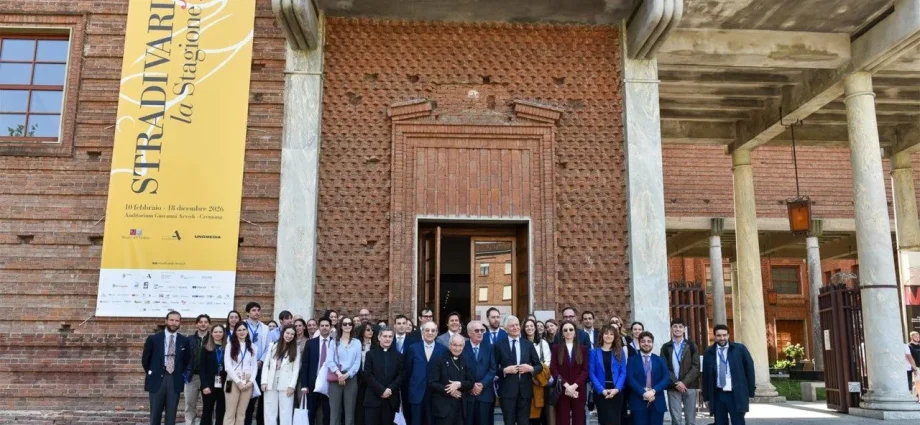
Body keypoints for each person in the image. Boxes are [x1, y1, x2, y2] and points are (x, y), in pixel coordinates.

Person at [142, 311, 191, 425]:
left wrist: (178, 372)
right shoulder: (154, 339)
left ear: (180, 323)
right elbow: (146, 360)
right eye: (171, 320)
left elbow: (186, 360)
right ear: (166, 321)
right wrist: (153, 372)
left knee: (171, 414)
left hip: (174, 379)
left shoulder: (184, 341)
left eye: (177, 321)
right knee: (155, 414)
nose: (174, 323)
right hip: (157, 379)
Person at [494, 315, 544, 425]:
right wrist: (505, 371)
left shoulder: (528, 344)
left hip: (525, 392)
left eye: (517, 325)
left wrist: (530, 368)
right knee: (509, 422)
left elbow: (539, 366)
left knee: (524, 422)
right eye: (512, 326)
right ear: (506, 329)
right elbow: (493, 368)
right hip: (507, 392)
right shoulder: (499, 345)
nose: (516, 327)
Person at [701, 325, 755, 425]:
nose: (722, 338)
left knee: (738, 422)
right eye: (719, 335)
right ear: (714, 336)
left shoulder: (740, 349)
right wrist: (706, 397)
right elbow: (706, 376)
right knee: (720, 422)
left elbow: (749, 371)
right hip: (718, 395)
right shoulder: (709, 352)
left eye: (724, 335)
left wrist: (750, 392)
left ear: (729, 335)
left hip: (735, 394)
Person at [363, 326, 406, 425]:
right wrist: (381, 390)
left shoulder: (398, 356)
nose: (387, 339)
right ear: (379, 337)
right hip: (373, 399)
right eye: (385, 336)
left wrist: (390, 389)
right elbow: (368, 374)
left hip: (390, 400)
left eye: (390, 336)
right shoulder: (370, 354)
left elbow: (402, 375)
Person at [406, 321, 447, 425]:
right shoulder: (413, 348)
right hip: (416, 393)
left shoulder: (443, 350)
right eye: (427, 330)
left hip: (435, 394)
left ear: (437, 332)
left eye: (433, 330)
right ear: (422, 332)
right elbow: (408, 371)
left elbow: (444, 373)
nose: (430, 333)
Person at [659, 319, 700, 425]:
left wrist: (684, 382)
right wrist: (676, 382)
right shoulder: (665, 347)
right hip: (673, 387)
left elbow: (696, 367)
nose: (678, 329)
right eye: (675, 326)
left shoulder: (691, 345)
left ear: (684, 329)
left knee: (690, 420)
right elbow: (664, 367)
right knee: (676, 420)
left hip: (689, 386)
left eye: (680, 327)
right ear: (671, 329)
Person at [429, 334, 475, 425]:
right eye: (454, 345)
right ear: (449, 345)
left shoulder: (465, 360)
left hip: (460, 409)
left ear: (463, 346)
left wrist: (460, 384)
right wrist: (450, 390)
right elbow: (432, 383)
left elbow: (471, 382)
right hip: (443, 409)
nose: (457, 348)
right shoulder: (440, 360)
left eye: (460, 345)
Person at [625, 332, 669, 425]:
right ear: (639, 343)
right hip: (638, 401)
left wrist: (653, 391)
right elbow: (630, 379)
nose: (646, 343)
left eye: (649, 341)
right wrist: (643, 393)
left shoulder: (660, 360)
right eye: (643, 341)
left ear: (652, 343)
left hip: (657, 400)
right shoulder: (632, 360)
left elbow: (666, 378)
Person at [262, 325, 301, 425]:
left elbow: (296, 369)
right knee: (269, 411)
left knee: (286, 412)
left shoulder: (296, 348)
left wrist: (292, 386)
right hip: (271, 381)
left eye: (292, 334)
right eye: (287, 333)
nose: (289, 336)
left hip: (286, 384)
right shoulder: (273, 345)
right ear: (283, 333)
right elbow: (266, 365)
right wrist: (264, 381)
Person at [589, 325, 627, 425]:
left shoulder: (620, 351)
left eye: (611, 334)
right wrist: (601, 390)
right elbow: (592, 373)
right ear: (602, 335)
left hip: (616, 391)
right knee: (604, 420)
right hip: (601, 392)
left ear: (615, 337)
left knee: (615, 420)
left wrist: (617, 389)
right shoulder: (594, 352)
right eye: (606, 333)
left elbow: (623, 372)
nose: (608, 336)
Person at [300, 317, 335, 425]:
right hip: (312, 384)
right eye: (322, 326)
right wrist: (304, 385)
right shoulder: (311, 343)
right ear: (319, 328)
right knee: (311, 413)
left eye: (327, 326)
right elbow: (305, 365)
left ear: (330, 327)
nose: (324, 328)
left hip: (329, 383)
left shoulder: (335, 343)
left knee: (328, 414)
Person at [552, 321, 589, 425]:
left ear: (575, 332)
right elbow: (554, 369)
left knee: (579, 419)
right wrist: (567, 386)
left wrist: (574, 386)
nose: (568, 332)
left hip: (578, 390)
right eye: (565, 330)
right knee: (562, 419)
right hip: (562, 389)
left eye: (571, 329)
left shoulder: (583, 349)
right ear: (562, 334)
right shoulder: (556, 349)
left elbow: (585, 370)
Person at [327, 318, 362, 425]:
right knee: (335, 412)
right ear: (341, 326)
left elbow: (357, 363)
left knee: (350, 412)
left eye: (350, 323)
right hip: (335, 378)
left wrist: (347, 375)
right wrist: (339, 374)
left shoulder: (357, 343)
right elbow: (329, 360)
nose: (347, 325)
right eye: (345, 323)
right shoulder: (334, 342)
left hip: (351, 378)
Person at [462, 321, 495, 425]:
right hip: (467, 394)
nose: (480, 333)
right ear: (469, 333)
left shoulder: (489, 347)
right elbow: (460, 369)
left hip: (485, 394)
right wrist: (471, 386)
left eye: (482, 330)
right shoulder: (462, 346)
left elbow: (493, 369)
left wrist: (481, 385)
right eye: (477, 330)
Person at [224, 322, 258, 425]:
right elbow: (228, 366)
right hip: (232, 379)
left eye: (244, 329)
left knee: (242, 413)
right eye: (239, 330)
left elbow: (254, 366)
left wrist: (251, 381)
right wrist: (238, 382)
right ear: (235, 332)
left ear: (247, 331)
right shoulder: (230, 345)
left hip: (248, 381)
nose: (242, 332)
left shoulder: (252, 346)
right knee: (230, 412)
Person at [244, 302, 271, 425]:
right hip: (247, 367)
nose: (257, 312)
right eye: (254, 310)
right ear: (248, 312)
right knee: (248, 397)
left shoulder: (264, 328)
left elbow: (268, 347)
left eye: (258, 310)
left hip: (261, 366)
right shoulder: (242, 326)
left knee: (261, 396)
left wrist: (261, 360)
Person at [523, 318, 552, 425]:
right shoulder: (521, 342)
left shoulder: (542, 343)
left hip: (539, 380)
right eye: (526, 326)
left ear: (535, 328)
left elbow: (547, 361)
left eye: (531, 326)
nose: (529, 328)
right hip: (525, 379)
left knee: (539, 411)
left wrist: (535, 373)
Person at [186, 314, 211, 425]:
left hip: (207, 377)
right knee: (190, 404)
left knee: (208, 405)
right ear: (197, 324)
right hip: (192, 376)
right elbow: (184, 357)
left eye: (205, 322)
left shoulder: (213, 339)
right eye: (200, 322)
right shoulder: (189, 339)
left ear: (209, 324)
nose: (203, 324)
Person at [199, 324, 226, 425]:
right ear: (212, 333)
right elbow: (202, 369)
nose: (218, 334)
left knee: (221, 411)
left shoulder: (227, 348)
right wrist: (205, 385)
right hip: (209, 384)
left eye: (220, 332)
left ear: (223, 333)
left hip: (224, 384)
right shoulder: (206, 348)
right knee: (207, 411)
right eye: (215, 332)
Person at [356, 322, 378, 425]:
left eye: (372, 330)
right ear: (362, 331)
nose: (371, 332)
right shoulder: (356, 344)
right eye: (368, 330)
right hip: (358, 378)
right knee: (359, 405)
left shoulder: (375, 346)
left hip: (371, 379)